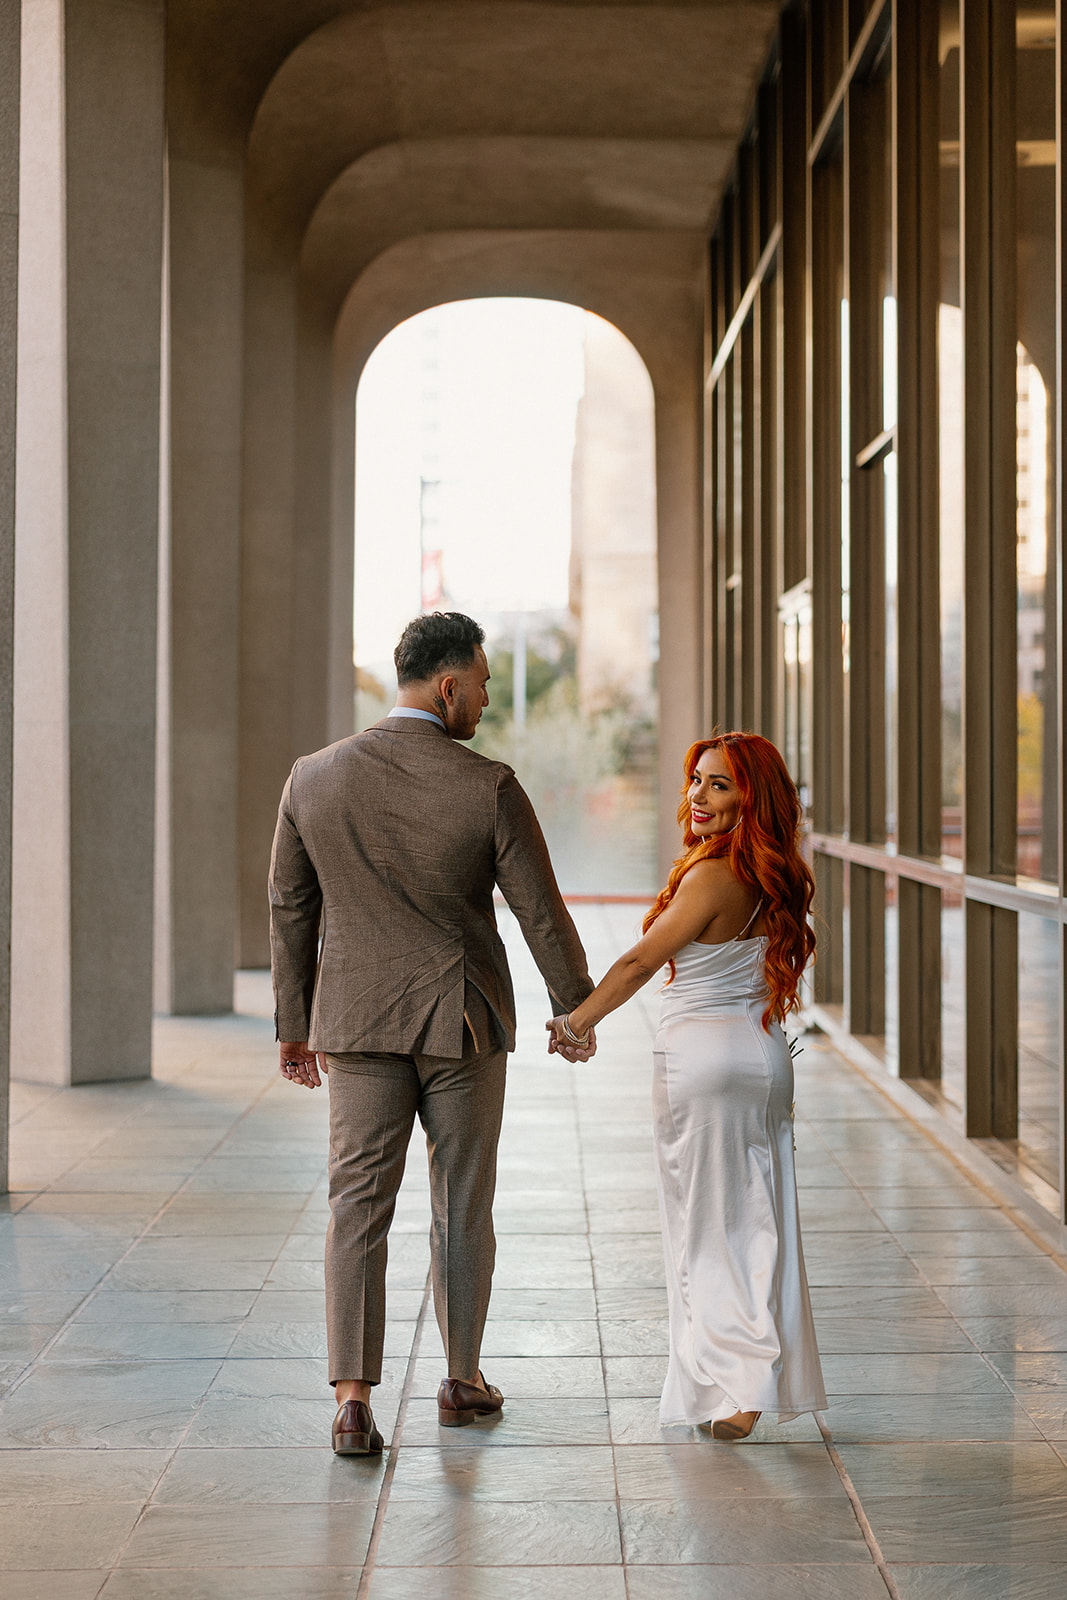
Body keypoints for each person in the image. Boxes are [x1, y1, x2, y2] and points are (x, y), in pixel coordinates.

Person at [270, 611, 596, 1455]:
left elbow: (291, 907)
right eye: (482, 683)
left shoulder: (312, 778)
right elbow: (540, 913)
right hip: (463, 1022)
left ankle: (351, 1399)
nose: (485, 699)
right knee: (460, 1201)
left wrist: (294, 1025)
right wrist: (576, 1009)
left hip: (358, 1022)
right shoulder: (487, 785)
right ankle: (460, 1378)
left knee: (356, 1205)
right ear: (447, 686)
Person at [547, 731, 826, 1439]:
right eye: (696, 781)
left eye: (719, 785)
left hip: (703, 1066)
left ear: (750, 797)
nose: (697, 797)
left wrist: (576, 1021)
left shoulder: (712, 876)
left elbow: (642, 960)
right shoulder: (772, 871)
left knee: (709, 1231)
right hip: (761, 1059)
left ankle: (742, 1384)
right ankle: (742, 1378)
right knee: (760, 1223)